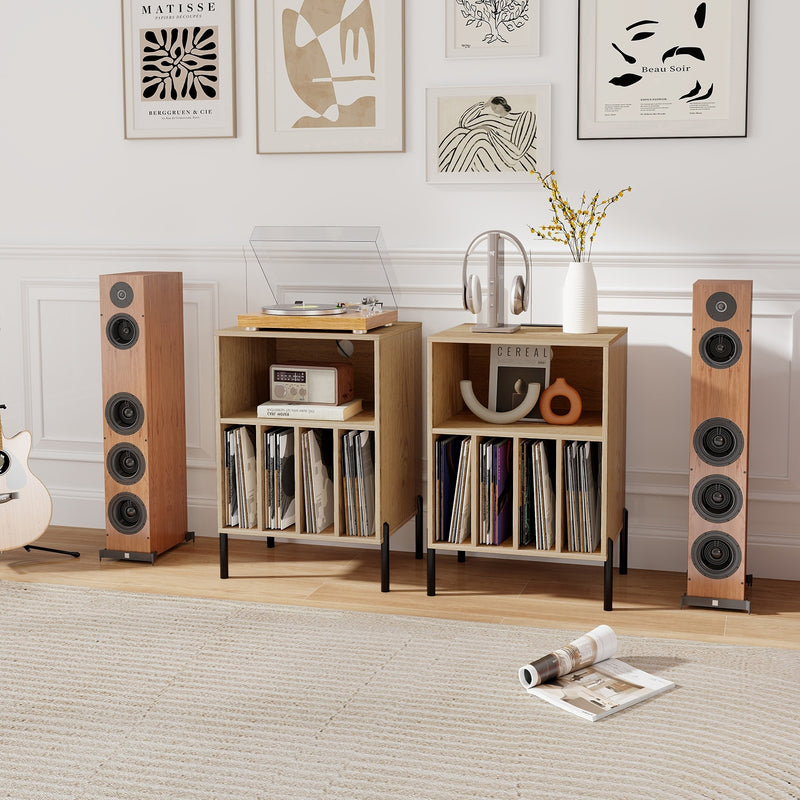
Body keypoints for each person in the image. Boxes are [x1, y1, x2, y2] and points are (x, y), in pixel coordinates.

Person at [438, 95, 538, 173]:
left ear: (503, 104)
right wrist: (485, 105)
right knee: (459, 133)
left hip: (518, 165)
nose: (494, 109)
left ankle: (453, 176)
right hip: (492, 157)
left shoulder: (525, 116)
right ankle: (438, 170)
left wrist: (489, 133)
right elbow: (464, 123)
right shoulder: (492, 119)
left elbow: (515, 155)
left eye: (496, 106)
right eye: (492, 107)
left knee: (479, 135)